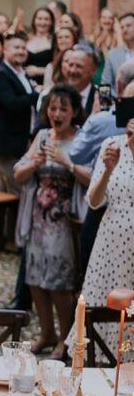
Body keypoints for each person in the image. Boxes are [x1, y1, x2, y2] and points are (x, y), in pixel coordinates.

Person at [14, 85, 90, 359]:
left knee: (59, 281)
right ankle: (46, 332)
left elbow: (93, 179)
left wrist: (67, 163)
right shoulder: (42, 135)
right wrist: (34, 163)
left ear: (74, 112)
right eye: (52, 108)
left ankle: (64, 337)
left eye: (63, 109)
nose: (57, 114)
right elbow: (18, 174)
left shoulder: (81, 138)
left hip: (64, 219)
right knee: (35, 277)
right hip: (36, 218)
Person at [78, 105, 134, 351]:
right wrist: (108, 170)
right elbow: (94, 200)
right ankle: (102, 366)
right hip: (112, 240)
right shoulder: (113, 144)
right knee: (106, 305)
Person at [0, 30, 38, 193]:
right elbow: (11, 103)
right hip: (9, 143)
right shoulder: (0, 74)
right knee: (20, 190)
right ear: (5, 50)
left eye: (24, 48)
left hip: (23, 139)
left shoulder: (21, 72)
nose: (21, 51)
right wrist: (37, 95)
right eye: (16, 47)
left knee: (3, 191)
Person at [101, 11, 134, 93]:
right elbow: (105, 83)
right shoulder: (112, 55)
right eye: (122, 27)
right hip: (118, 102)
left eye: (128, 26)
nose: (125, 29)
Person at [24, 7, 56, 82]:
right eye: (39, 18)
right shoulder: (26, 39)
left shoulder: (55, 40)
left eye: (46, 19)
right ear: (34, 20)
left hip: (46, 83)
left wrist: (38, 71)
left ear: (51, 22)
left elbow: (59, 68)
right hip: (25, 83)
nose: (42, 22)